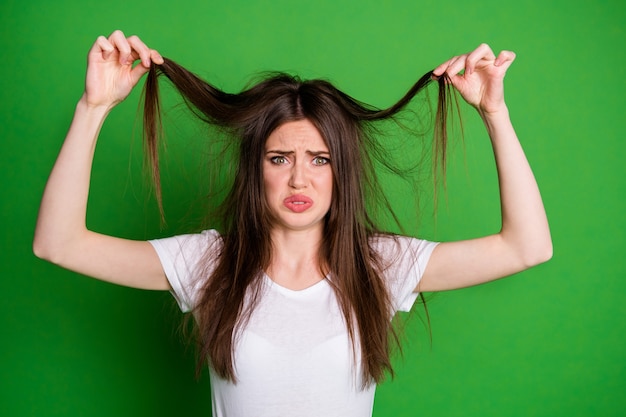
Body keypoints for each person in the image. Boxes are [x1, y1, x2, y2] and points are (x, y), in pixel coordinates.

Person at [33, 30, 552, 417]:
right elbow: (59, 244)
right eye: (279, 158)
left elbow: (527, 247)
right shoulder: (208, 263)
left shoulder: (382, 263)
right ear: (255, 169)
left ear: (340, 171)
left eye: (320, 160)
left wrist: (494, 113)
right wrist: (93, 106)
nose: (299, 179)